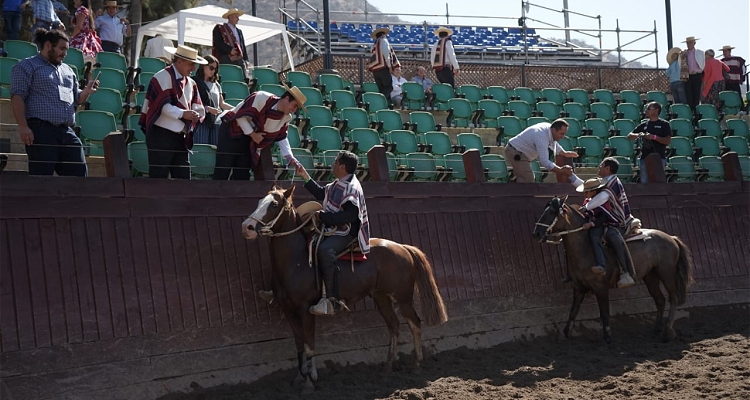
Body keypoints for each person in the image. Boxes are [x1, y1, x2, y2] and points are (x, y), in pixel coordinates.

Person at [10, 28, 99, 176]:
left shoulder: (69, 71)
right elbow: (17, 96)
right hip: (41, 130)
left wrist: (86, 92)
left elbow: (77, 99)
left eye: (66, 49)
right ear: (48, 45)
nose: (65, 53)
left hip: (66, 131)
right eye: (61, 48)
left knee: (79, 176)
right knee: (42, 179)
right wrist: (23, 127)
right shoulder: (27, 66)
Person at [298, 150, 370, 316]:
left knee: (325, 250)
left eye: (335, 162)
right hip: (334, 227)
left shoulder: (351, 187)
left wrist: (323, 217)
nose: (332, 165)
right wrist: (304, 175)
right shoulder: (339, 183)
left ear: (342, 167)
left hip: (347, 232)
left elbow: (351, 216)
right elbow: (321, 193)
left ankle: (332, 300)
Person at [138, 45, 206, 179]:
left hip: (181, 137)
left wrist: (197, 115)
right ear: (179, 61)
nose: (193, 68)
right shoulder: (161, 77)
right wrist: (183, 113)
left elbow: (197, 106)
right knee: (158, 178)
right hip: (161, 135)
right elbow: (159, 106)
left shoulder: (191, 83)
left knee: (184, 179)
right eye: (191, 64)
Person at [212, 84, 307, 180]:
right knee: (223, 169)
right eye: (294, 105)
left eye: (297, 108)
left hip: (248, 139)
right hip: (231, 130)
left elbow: (281, 137)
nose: (294, 110)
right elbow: (239, 116)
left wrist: (290, 157)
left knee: (242, 174)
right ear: (287, 98)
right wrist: (253, 134)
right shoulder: (261, 97)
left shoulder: (286, 118)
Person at [579, 159, 637, 289]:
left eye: (601, 166)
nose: (599, 168)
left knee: (613, 237)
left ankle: (627, 272)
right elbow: (588, 187)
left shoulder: (612, 184)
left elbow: (599, 201)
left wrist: (584, 208)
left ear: (607, 168)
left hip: (618, 221)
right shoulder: (606, 182)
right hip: (607, 219)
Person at [504, 119, 583, 186]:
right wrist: (561, 171)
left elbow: (552, 142)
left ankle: (512, 188)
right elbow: (544, 162)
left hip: (521, 153)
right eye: (561, 134)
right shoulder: (541, 137)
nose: (563, 136)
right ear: (554, 130)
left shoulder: (548, 128)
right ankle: (517, 199)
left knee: (526, 179)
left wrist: (564, 153)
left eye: (564, 134)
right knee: (528, 179)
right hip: (516, 152)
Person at [191, 55, 234, 146]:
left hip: (216, 121)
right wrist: (208, 109)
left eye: (215, 69)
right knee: (201, 148)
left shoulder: (216, 84)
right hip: (202, 120)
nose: (213, 71)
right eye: (211, 68)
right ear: (203, 66)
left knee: (215, 149)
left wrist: (236, 109)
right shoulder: (194, 82)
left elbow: (221, 104)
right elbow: (192, 103)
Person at [626, 101, 671, 184]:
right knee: (644, 182)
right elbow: (629, 136)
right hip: (645, 158)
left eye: (648, 109)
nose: (646, 111)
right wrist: (638, 135)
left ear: (656, 111)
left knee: (658, 181)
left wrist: (654, 137)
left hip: (659, 157)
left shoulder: (664, 124)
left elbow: (667, 141)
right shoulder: (643, 125)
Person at [367, 27, 399, 100]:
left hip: (375, 69)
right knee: (388, 87)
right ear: (383, 34)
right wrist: (390, 66)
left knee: (381, 88)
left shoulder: (374, 45)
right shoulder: (384, 41)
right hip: (383, 68)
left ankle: (384, 105)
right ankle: (379, 101)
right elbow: (386, 53)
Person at [69, 0, 102, 66]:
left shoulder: (81, 9)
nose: (74, 0)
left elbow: (78, 27)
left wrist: (71, 38)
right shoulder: (87, 10)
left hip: (81, 39)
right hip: (89, 39)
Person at [680, 36, 705, 111]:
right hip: (688, 76)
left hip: (697, 74)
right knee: (688, 95)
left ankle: (696, 110)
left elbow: (703, 63)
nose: (689, 44)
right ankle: (691, 111)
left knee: (696, 94)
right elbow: (680, 64)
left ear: (694, 43)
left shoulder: (700, 53)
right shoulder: (683, 54)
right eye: (688, 43)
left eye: (690, 42)